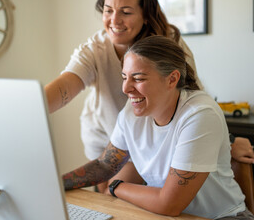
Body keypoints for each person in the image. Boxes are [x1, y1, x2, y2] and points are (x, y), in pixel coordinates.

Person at [45, 0, 254, 192]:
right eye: (108, 10)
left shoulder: (168, 47)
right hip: (105, 137)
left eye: (125, 12)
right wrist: (32, 109)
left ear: (145, 15)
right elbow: (65, 87)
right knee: (102, 198)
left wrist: (224, 143)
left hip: (150, 141)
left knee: (113, 193)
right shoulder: (94, 50)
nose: (114, 20)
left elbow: (195, 102)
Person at [62, 35, 254, 219]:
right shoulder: (132, 112)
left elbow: (168, 204)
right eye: (124, 77)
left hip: (220, 217)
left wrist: (116, 187)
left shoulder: (199, 114)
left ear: (172, 79)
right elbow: (105, 165)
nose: (126, 88)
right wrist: (58, 183)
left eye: (138, 78)